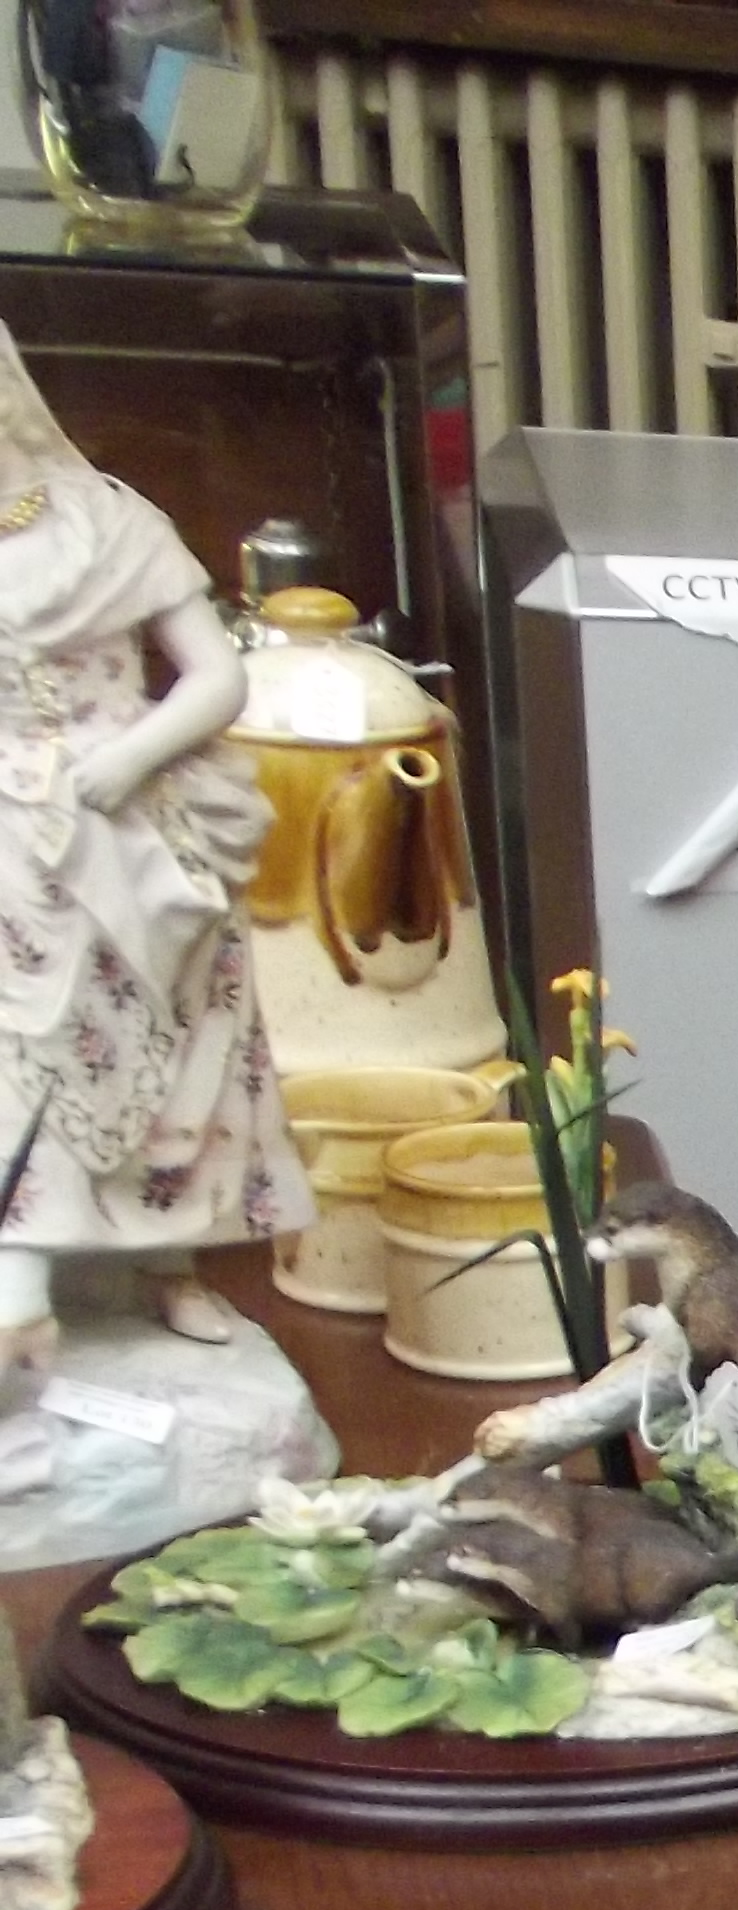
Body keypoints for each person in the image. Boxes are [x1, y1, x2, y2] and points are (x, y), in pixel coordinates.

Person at [0, 315, 303, 1374]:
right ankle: (25, 1256)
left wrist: (132, 756)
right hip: (11, 824)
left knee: (177, 1038)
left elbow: (219, 678)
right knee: (23, 1040)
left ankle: (170, 1258)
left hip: (132, 817)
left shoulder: (109, 525)